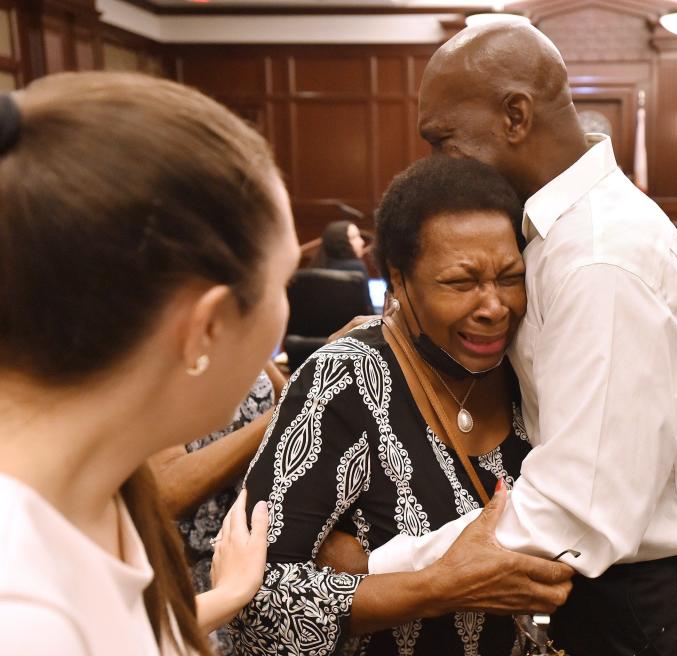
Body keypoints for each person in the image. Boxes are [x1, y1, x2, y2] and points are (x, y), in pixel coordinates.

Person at [360, 23, 677, 656]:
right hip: (637, 591)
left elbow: (581, 507)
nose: (437, 165)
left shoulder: (599, 258)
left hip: (666, 603)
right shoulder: (559, 228)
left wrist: (371, 572)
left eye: (443, 140)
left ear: (515, 115)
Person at [0, 71, 301, 654]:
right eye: (284, 281)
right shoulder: (24, 616)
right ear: (208, 325)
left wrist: (229, 593)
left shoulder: (99, 485)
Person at [231, 155, 573, 655]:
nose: (494, 307)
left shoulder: (530, 367)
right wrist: (438, 587)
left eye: (509, 277)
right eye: (460, 282)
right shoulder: (347, 379)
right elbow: (253, 600)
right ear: (398, 279)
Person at [151, 363, 286, 655]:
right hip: (191, 575)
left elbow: (280, 391)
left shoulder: (240, 336)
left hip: (246, 559)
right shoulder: (153, 348)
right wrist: (285, 412)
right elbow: (168, 489)